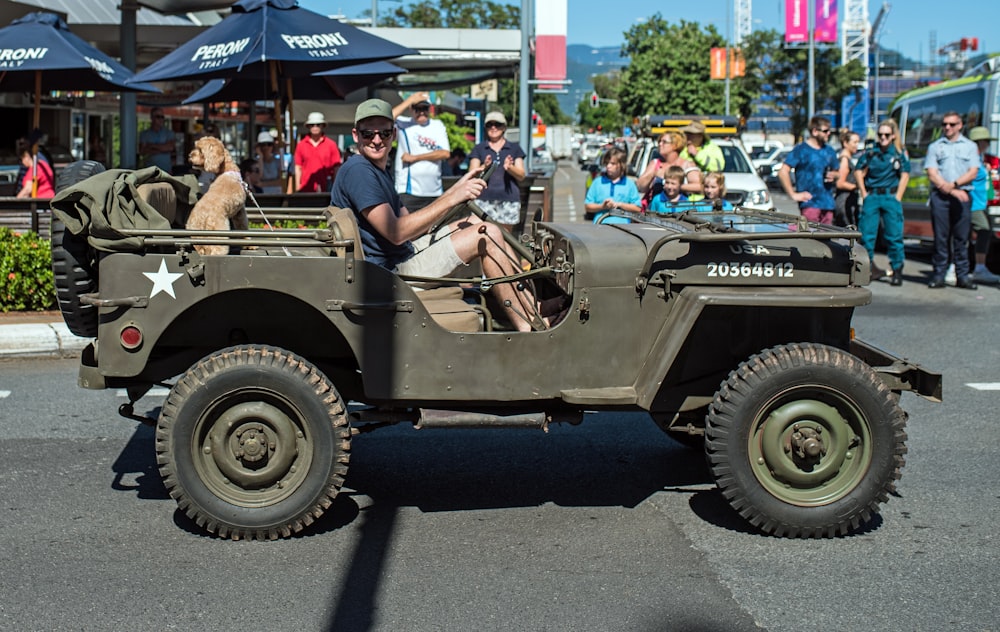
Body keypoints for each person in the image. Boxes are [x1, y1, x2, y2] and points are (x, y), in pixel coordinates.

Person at [329, 98, 564, 332]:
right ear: (356, 135)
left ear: (393, 135)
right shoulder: (360, 171)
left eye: (385, 133)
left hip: (401, 255)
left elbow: (411, 223)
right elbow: (397, 232)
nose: (377, 140)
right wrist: (453, 197)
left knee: (473, 222)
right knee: (487, 233)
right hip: (389, 273)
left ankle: (532, 304)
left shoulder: (376, 171)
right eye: (368, 134)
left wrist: (456, 190)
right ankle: (527, 323)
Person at [923, 111, 980, 289]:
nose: (947, 127)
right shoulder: (935, 146)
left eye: (952, 124)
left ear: (960, 125)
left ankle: (962, 276)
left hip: (963, 195)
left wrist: (954, 185)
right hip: (941, 197)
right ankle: (939, 274)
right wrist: (951, 189)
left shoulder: (970, 146)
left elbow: (973, 172)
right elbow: (932, 172)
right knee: (941, 238)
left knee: (961, 238)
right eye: (945, 124)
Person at [854, 120, 910, 286]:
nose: (883, 138)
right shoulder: (871, 153)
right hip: (873, 196)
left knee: (894, 236)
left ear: (893, 136)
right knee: (867, 235)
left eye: (887, 135)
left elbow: (905, 174)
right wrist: (864, 192)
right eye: (880, 135)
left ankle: (897, 269)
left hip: (890, 197)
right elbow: (858, 170)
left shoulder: (899, 153)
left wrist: (898, 196)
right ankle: (868, 269)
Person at [467, 111, 526, 232]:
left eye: (497, 124)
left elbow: (521, 175)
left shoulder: (515, 148)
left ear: (504, 127)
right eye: (490, 125)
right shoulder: (479, 148)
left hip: (508, 199)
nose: (493, 127)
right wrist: (485, 166)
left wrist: (510, 167)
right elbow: (471, 174)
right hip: (482, 199)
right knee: (480, 235)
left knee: (506, 236)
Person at [392, 92, 450, 212]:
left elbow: (445, 153)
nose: (422, 112)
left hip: (434, 191)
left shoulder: (437, 125)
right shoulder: (404, 123)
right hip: (409, 191)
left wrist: (415, 158)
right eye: (417, 108)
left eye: (425, 108)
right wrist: (410, 100)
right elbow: (386, 118)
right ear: (411, 109)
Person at [779, 116, 839, 224]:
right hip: (810, 203)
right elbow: (783, 171)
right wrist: (793, 194)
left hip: (828, 203)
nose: (829, 133)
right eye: (825, 131)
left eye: (829, 130)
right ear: (815, 131)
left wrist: (834, 175)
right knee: (811, 238)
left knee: (827, 239)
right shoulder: (801, 149)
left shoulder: (829, 150)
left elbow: (838, 172)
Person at [966, 126, 1000, 284]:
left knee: (979, 233)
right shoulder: (970, 160)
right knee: (984, 231)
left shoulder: (980, 159)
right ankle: (978, 267)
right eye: (986, 141)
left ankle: (975, 266)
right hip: (973, 203)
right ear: (978, 142)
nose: (987, 144)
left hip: (980, 202)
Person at [636, 131, 702, 207]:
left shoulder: (687, 165)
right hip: (656, 209)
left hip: (679, 210)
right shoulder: (655, 163)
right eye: (659, 142)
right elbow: (640, 187)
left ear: (675, 145)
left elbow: (700, 187)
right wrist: (653, 173)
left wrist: (676, 186)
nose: (660, 144)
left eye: (664, 142)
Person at [584, 145, 642, 221]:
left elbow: (637, 208)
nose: (608, 166)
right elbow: (588, 206)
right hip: (600, 226)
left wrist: (619, 204)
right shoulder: (597, 182)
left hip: (624, 228)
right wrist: (602, 206)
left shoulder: (629, 184)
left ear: (621, 165)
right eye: (607, 163)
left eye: (612, 163)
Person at [292, 111, 342, 193]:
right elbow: (298, 167)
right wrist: (297, 185)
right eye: (312, 125)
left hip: (326, 188)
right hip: (305, 187)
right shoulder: (301, 145)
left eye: (318, 124)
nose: (315, 127)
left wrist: (336, 186)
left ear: (323, 126)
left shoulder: (331, 145)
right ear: (308, 126)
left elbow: (336, 168)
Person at [834, 130, 861, 227]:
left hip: (848, 200)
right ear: (845, 143)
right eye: (854, 142)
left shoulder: (847, 158)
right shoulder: (844, 160)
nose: (857, 145)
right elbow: (840, 183)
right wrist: (857, 187)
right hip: (844, 201)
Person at [138, 107, 174, 172]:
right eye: (158, 116)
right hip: (149, 171)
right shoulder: (144, 134)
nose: (161, 119)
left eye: (162, 117)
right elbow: (142, 151)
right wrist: (163, 149)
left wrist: (151, 146)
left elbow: (170, 148)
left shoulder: (168, 133)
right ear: (152, 118)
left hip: (166, 171)